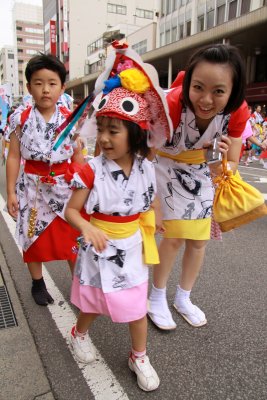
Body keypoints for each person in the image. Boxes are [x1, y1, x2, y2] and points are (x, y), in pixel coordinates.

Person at [64, 42, 172, 392]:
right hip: (98, 246)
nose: (107, 138)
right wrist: (86, 227)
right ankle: (78, 333)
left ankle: (138, 355)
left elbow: (150, 202)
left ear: (135, 134)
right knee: (94, 301)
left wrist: (157, 219)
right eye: (103, 129)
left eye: (116, 130)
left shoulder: (147, 166)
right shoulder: (91, 171)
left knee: (135, 306)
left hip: (133, 246)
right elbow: (71, 211)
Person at [148, 44, 250, 330]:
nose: (206, 99)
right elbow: (146, 154)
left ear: (233, 90)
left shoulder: (238, 112)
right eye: (198, 87)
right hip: (163, 167)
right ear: (188, 82)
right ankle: (156, 297)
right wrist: (153, 202)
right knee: (174, 237)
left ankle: (183, 298)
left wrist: (220, 159)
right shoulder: (170, 104)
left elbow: (230, 165)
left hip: (202, 171)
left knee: (199, 241)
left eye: (218, 91)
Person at [6, 53, 85, 306]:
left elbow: (78, 156)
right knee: (33, 238)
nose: (45, 90)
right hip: (32, 187)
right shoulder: (20, 118)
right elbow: (14, 157)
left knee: (72, 237)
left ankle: (79, 283)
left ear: (62, 87)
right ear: (29, 87)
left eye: (52, 83)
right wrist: (10, 193)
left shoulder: (70, 119)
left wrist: (84, 188)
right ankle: (37, 282)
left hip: (65, 188)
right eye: (38, 83)